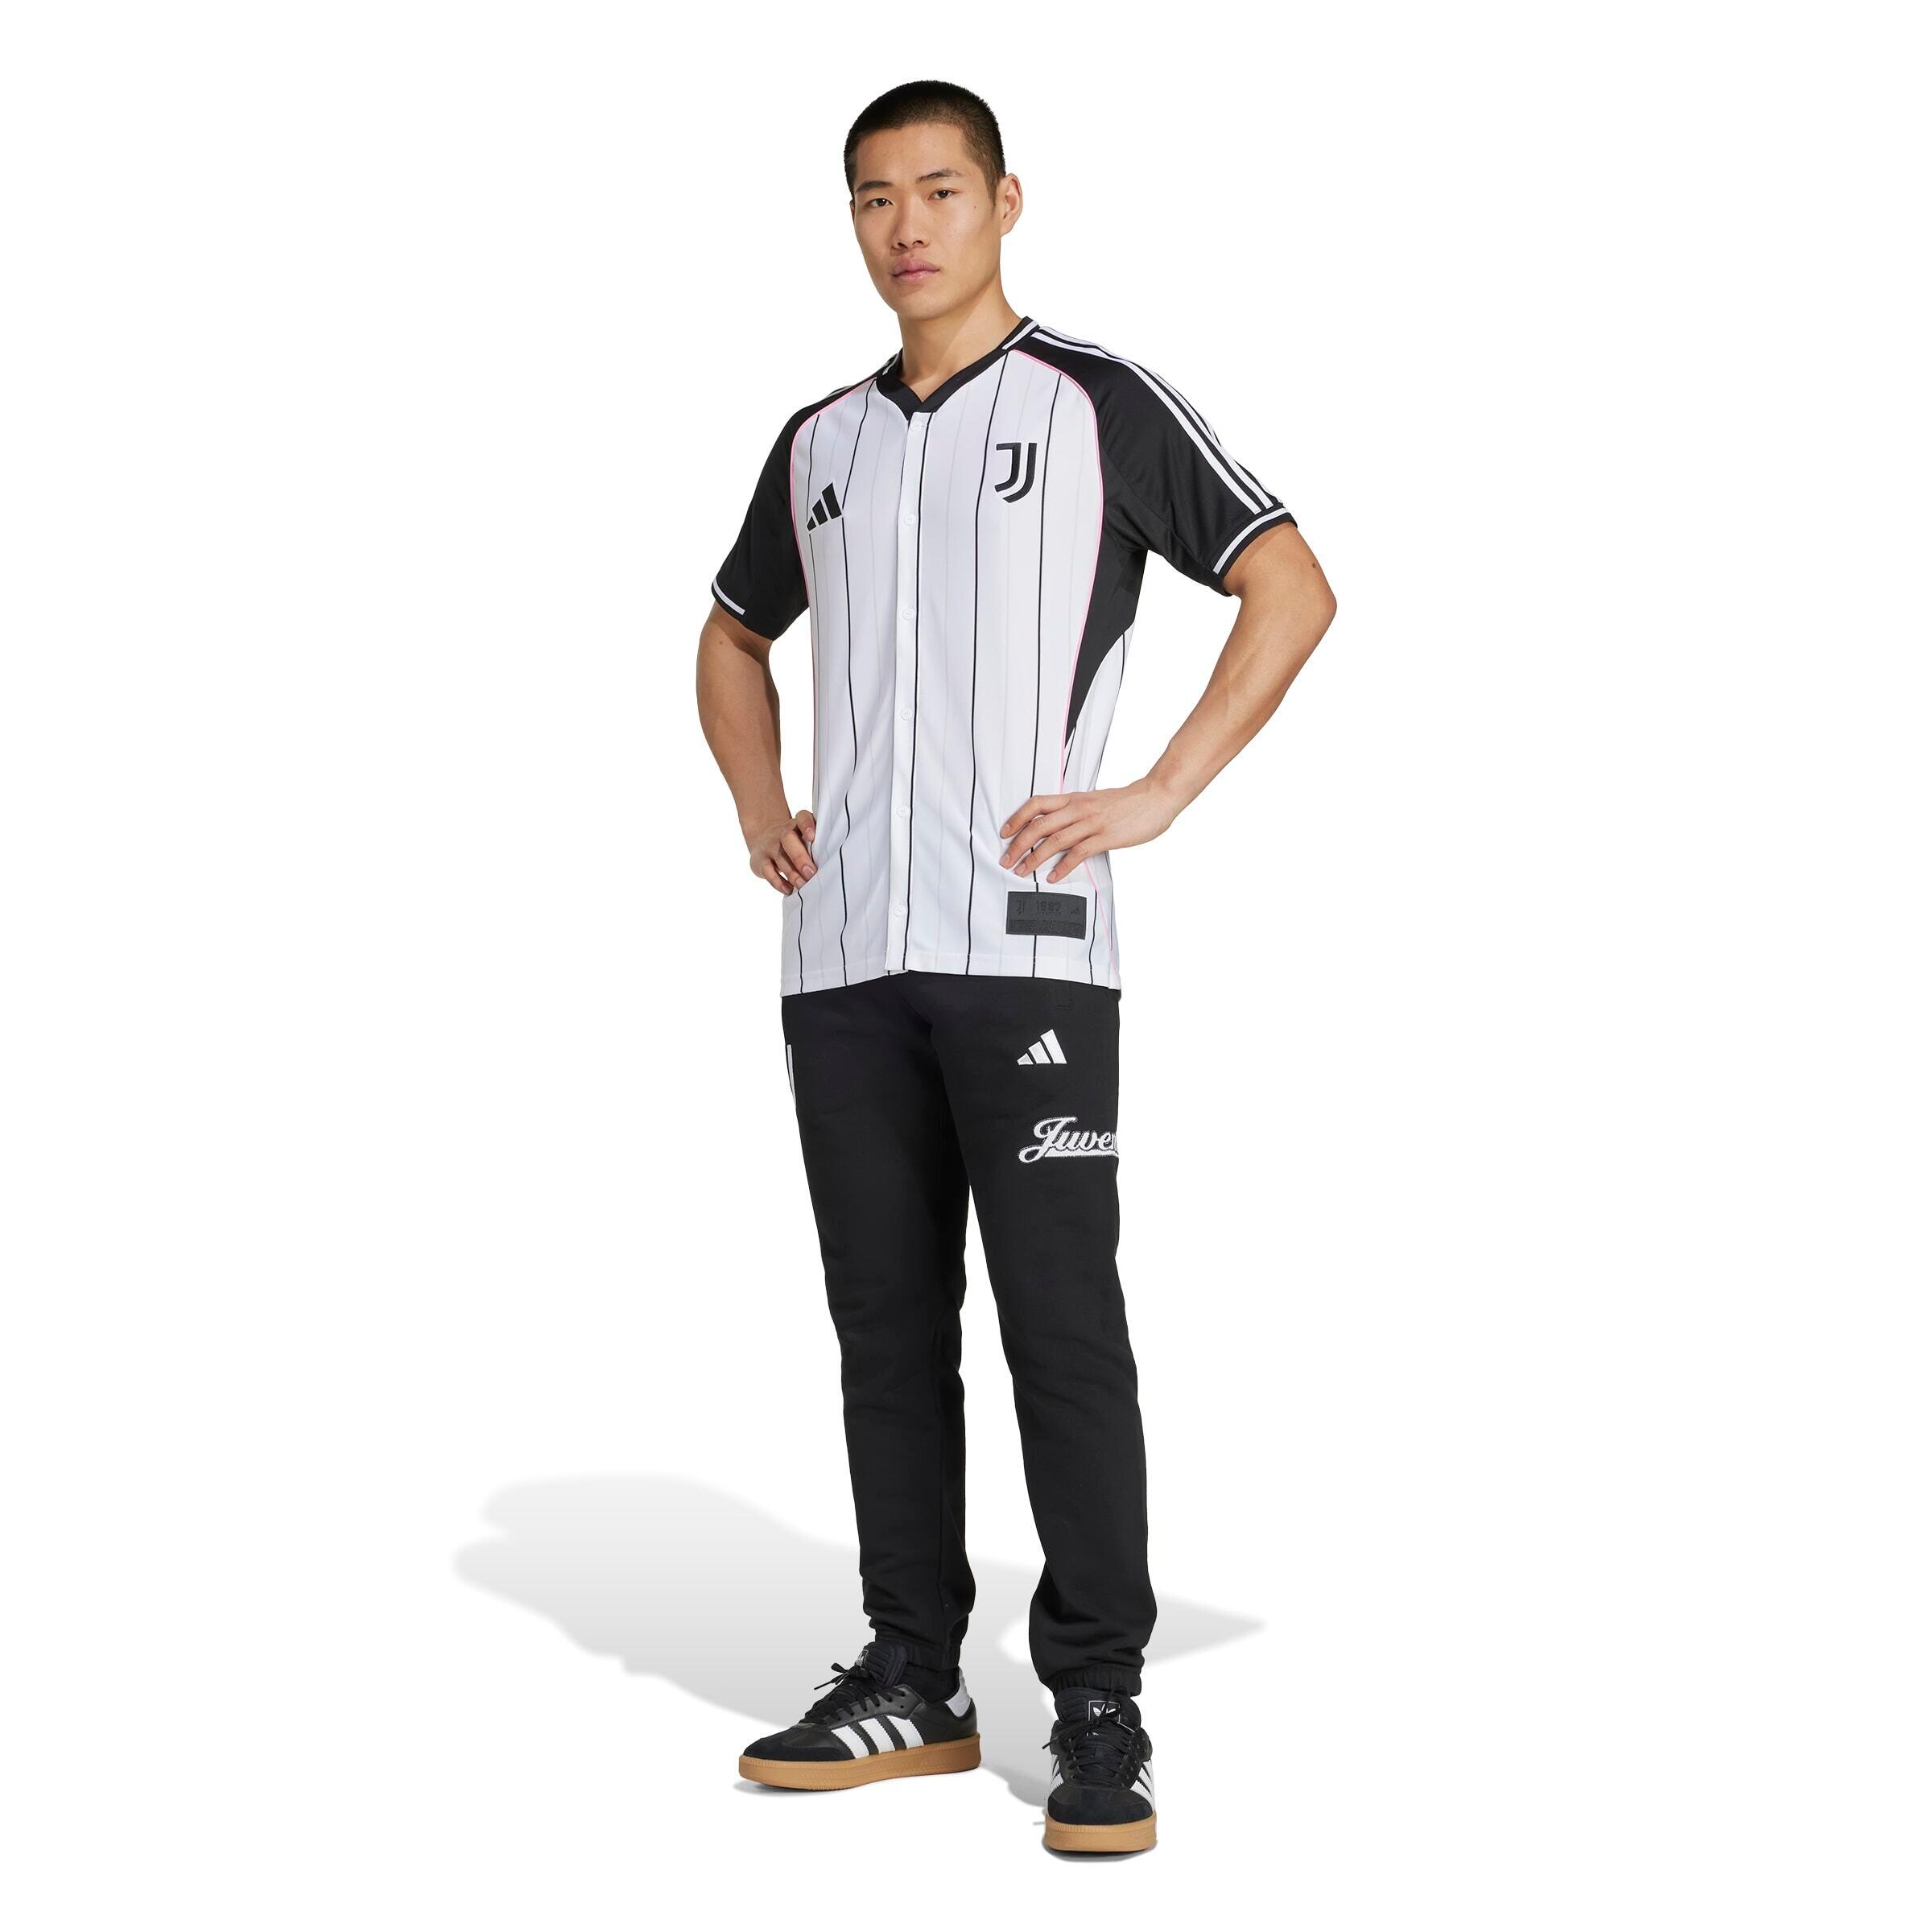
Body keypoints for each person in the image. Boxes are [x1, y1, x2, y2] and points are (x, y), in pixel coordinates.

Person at [695, 79, 1336, 1855]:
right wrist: (759, 801)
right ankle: (915, 1670)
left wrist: (1159, 793)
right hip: (841, 958)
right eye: (874, 198)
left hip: (1028, 955)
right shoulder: (818, 443)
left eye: (939, 190)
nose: (907, 226)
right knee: (885, 1327)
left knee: (1060, 1323)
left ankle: (1100, 1695)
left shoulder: (1094, 404)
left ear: (1004, 202)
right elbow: (732, 635)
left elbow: (1291, 583)